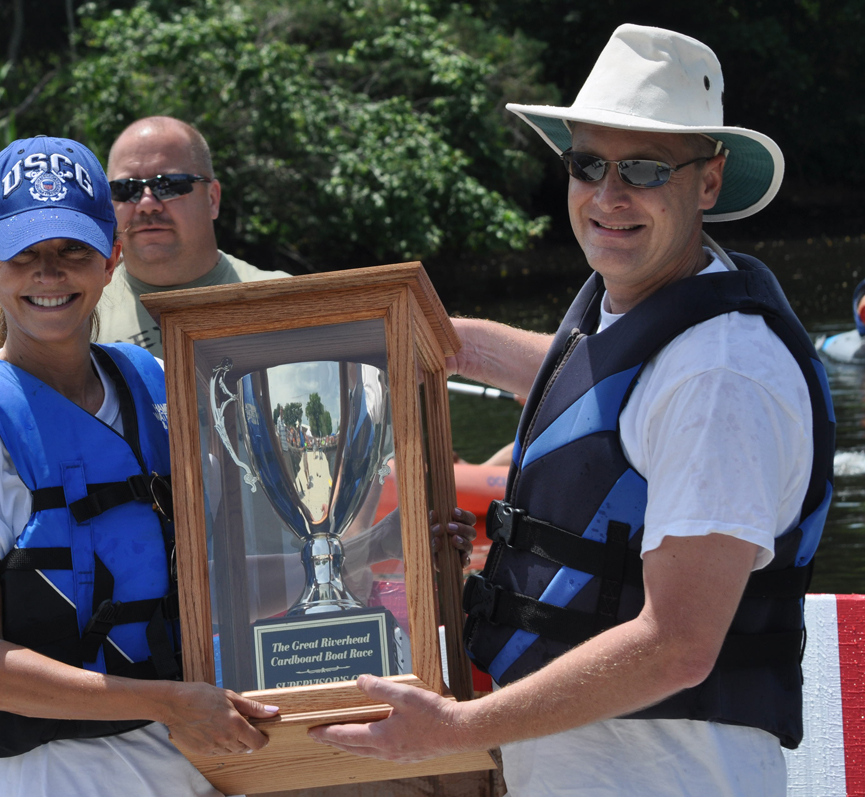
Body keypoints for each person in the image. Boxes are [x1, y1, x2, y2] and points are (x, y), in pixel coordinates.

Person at [310, 25, 835, 797]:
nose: (609, 195)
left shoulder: (723, 375)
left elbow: (678, 646)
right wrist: (437, 340)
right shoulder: (635, 313)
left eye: (646, 169)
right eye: (588, 164)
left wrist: (455, 731)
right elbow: (600, 393)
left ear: (710, 182)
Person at [0, 135, 279, 797]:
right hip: (48, 776)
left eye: (73, 249)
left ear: (111, 258)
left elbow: (220, 572)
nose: (50, 272)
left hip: (189, 764)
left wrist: (376, 559)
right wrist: (166, 701)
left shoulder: (152, 382)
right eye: (25, 253)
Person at [97, 116, 289, 357]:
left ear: (212, 199)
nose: (147, 204)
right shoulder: (80, 315)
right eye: (126, 189)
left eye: (168, 185)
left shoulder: (284, 303)